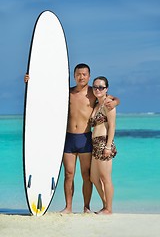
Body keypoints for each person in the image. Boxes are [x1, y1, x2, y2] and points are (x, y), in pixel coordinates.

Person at [24, 63, 120, 213]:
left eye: (84, 74)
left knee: (86, 175)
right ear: (74, 76)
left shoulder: (93, 93)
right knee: (69, 174)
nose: (81, 77)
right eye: (78, 74)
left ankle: (86, 207)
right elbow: (46, 95)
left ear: (89, 76)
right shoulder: (66, 92)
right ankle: (68, 207)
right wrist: (32, 82)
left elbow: (111, 98)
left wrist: (116, 101)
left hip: (86, 138)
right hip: (68, 138)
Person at [90, 76, 117, 215]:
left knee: (105, 178)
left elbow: (112, 126)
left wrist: (107, 146)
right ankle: (106, 204)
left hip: (104, 143)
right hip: (95, 144)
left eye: (101, 87)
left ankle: (108, 208)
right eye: (95, 87)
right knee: (93, 178)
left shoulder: (108, 104)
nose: (97, 89)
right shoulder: (97, 104)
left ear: (106, 89)